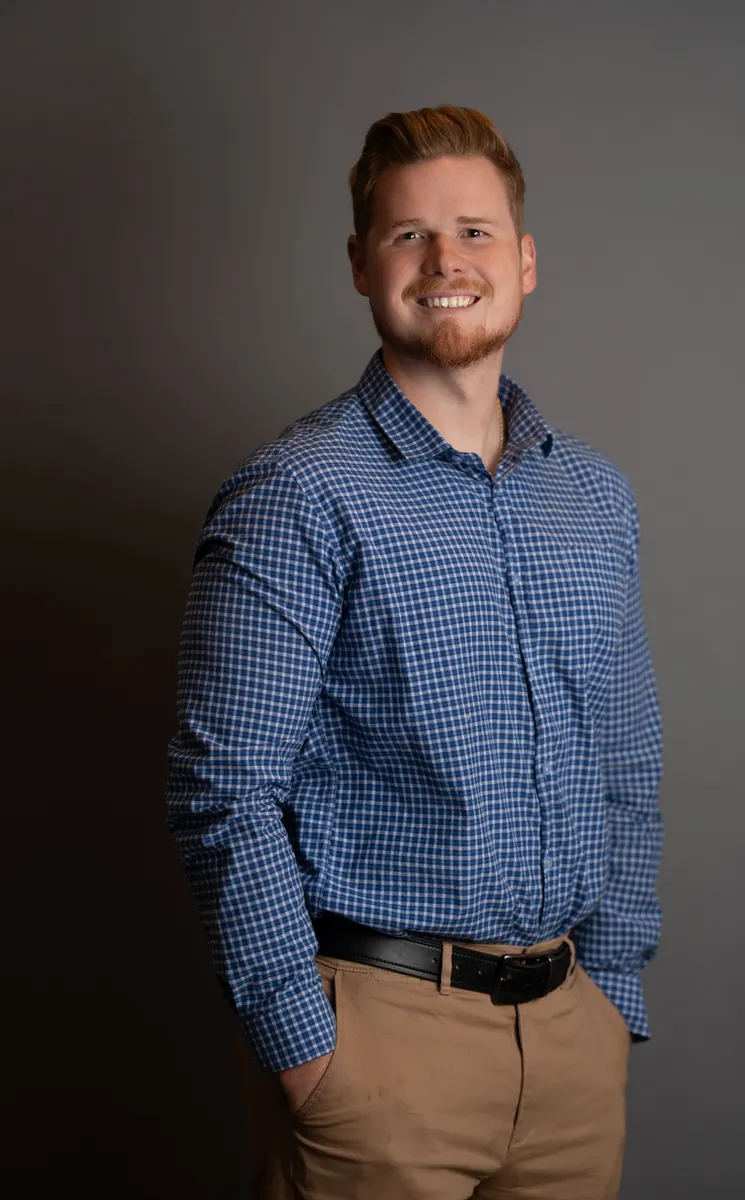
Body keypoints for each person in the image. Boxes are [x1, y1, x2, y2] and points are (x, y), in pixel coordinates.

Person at [165, 104, 664, 1199]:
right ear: (359, 263)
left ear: (525, 261)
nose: (446, 261)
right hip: (376, 1059)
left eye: (475, 232)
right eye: (408, 235)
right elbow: (221, 792)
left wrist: (612, 991)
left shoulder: (593, 497)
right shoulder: (297, 494)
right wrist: (307, 1054)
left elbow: (622, 764)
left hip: (570, 1051)